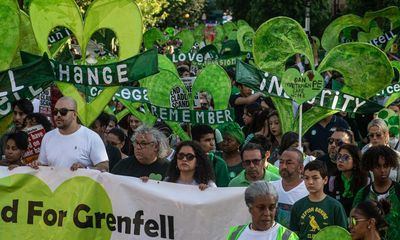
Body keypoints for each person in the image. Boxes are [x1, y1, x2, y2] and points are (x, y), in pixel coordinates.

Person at [35, 96, 109, 171]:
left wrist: (86, 170)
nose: (58, 115)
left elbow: (104, 168)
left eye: (63, 112)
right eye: (55, 111)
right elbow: (43, 166)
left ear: (74, 114)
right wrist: (36, 165)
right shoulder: (48, 137)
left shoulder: (92, 137)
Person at [290, 160, 347, 240]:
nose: (310, 182)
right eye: (306, 178)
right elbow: (293, 235)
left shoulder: (335, 206)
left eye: (315, 178)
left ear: (325, 180)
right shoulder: (298, 206)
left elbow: (343, 235)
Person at [352, 145, 400, 240]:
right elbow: (354, 222)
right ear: (370, 167)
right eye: (378, 166)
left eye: (386, 166)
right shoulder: (362, 194)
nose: (382, 170)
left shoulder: (398, 191)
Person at [226, 181, 298, 240]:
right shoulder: (235, 233)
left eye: (271, 207)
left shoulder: (287, 237)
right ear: (250, 208)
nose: (267, 213)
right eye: (261, 207)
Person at [327, 144, 369, 216]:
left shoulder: (366, 181)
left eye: (346, 157)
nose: (340, 160)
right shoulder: (332, 180)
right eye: (339, 156)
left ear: (355, 162)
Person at [271, 148, 308, 227]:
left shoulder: (308, 190)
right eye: (281, 162)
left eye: (289, 163)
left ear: (301, 168)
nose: (283, 166)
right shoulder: (270, 187)